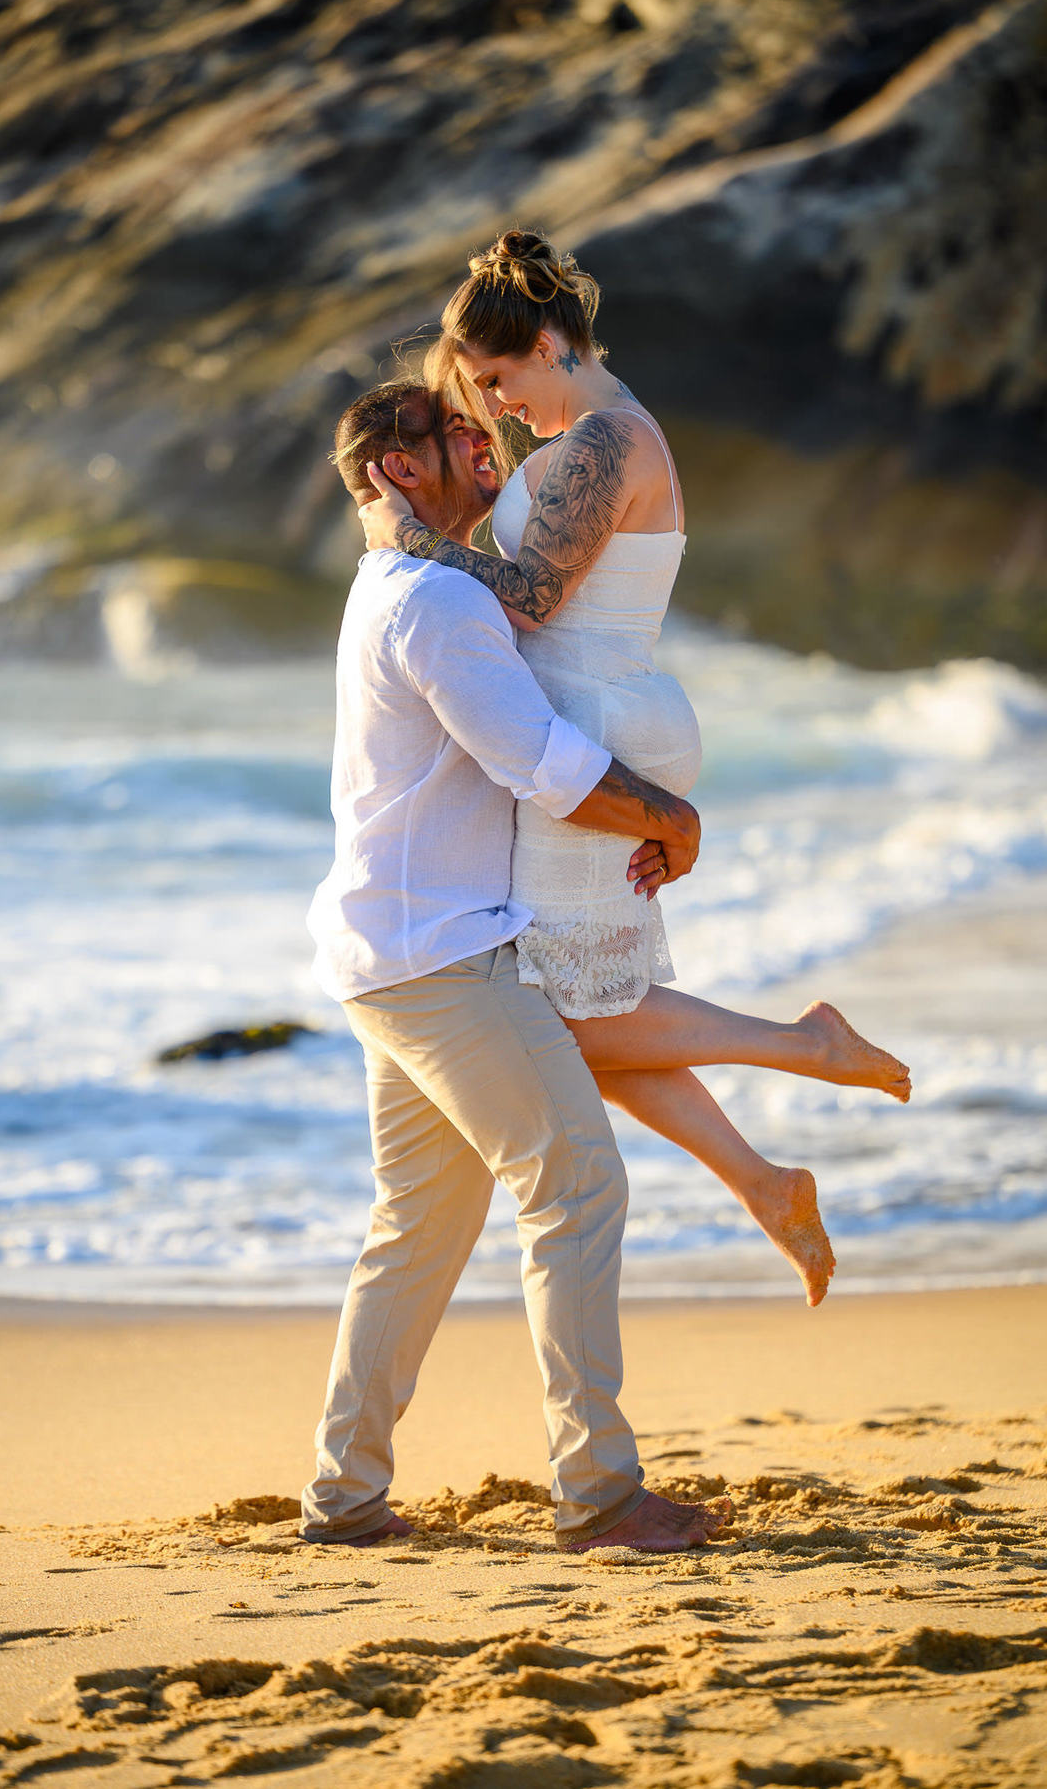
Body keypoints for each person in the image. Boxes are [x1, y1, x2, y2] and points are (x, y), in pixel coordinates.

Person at [358, 230, 912, 1311]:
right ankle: (764, 1181)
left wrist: (403, 536)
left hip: (597, 725)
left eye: (498, 379)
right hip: (596, 718)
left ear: (549, 345)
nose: (496, 405)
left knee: (562, 1018)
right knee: (585, 1007)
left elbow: (530, 598)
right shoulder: (593, 435)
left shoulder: (608, 440)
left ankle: (805, 1047)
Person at [301, 378, 731, 1555]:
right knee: (578, 1187)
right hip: (444, 954)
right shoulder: (436, 600)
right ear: (398, 470)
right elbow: (540, 761)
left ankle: (344, 1497)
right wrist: (671, 818)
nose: (480, 435)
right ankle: (599, 1493)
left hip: (389, 950)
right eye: (450, 431)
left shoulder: (394, 582)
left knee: (417, 1228)